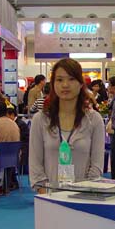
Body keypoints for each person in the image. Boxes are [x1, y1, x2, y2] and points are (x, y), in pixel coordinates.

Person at [29, 58, 105, 191]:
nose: (65, 85)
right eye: (59, 80)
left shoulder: (94, 120)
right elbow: (35, 165)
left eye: (71, 79)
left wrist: (85, 193)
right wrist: (46, 194)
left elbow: (97, 165)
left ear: (80, 84)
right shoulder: (40, 119)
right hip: (49, 197)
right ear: (53, 84)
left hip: (83, 197)